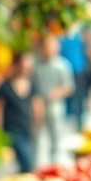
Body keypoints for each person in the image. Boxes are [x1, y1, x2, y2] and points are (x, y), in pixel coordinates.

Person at [0, 51, 44, 173]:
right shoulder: (5, 87)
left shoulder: (32, 85)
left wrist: (37, 125)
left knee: (25, 160)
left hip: (27, 129)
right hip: (11, 130)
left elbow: (37, 106)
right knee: (26, 162)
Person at [31, 33, 75, 166]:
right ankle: (36, 165)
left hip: (55, 106)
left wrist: (55, 94)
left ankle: (55, 165)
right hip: (39, 106)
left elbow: (69, 87)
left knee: (56, 137)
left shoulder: (62, 65)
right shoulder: (36, 64)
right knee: (37, 138)